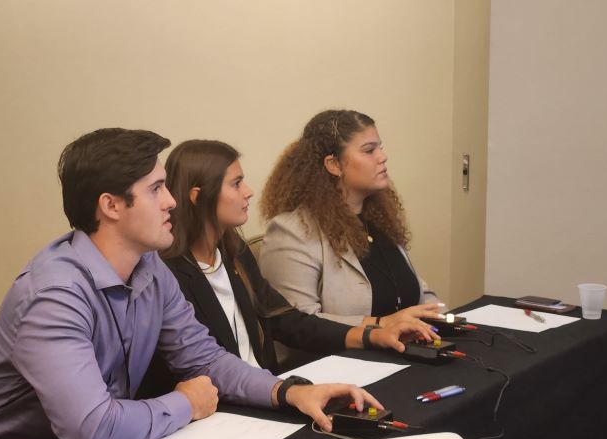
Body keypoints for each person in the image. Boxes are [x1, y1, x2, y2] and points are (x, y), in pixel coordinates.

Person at [0, 128, 382, 439]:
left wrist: (287, 392)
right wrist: (185, 403)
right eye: (155, 190)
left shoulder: (149, 266)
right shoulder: (55, 295)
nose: (171, 201)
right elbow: (93, 430)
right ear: (111, 206)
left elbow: (204, 359)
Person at [156, 139, 438, 378]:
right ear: (198, 196)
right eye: (237, 183)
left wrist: (373, 333)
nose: (248, 192)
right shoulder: (169, 272)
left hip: (265, 392)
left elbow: (288, 322)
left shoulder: (235, 253)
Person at [259, 110, 444, 327]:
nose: (382, 156)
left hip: (406, 352)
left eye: (380, 148)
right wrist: (382, 326)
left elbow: (420, 295)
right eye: (369, 150)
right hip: (341, 358)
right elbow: (299, 324)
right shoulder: (292, 232)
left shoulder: (379, 219)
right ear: (334, 165)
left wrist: (449, 322)